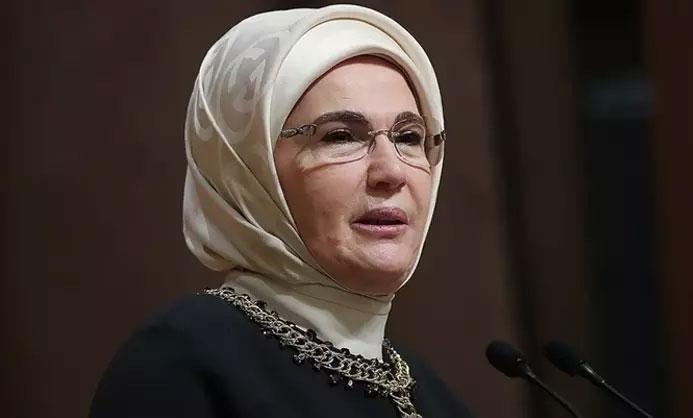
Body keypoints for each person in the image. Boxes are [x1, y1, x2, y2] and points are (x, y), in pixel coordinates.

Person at [90, 4, 472, 418]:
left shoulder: (432, 395)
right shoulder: (182, 363)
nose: (391, 172)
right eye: (341, 136)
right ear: (250, 170)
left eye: (409, 137)